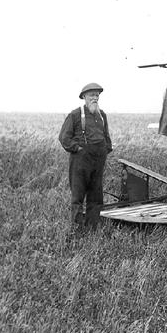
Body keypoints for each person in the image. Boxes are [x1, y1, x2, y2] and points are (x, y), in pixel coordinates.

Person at [59, 83, 113, 230]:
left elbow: (106, 137)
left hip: (98, 160)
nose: (95, 98)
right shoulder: (75, 115)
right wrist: (78, 149)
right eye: (91, 95)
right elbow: (64, 137)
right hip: (80, 161)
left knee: (96, 196)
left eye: (97, 95)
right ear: (84, 97)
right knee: (78, 196)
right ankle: (77, 230)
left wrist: (105, 150)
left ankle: (93, 228)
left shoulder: (102, 115)